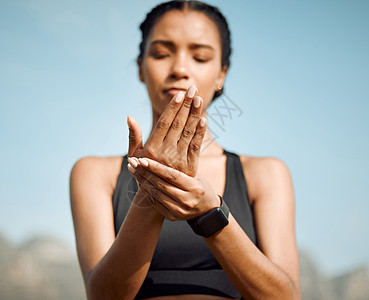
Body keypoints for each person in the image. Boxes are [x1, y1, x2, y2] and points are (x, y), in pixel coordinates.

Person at [70, 1, 301, 299]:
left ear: (221, 74)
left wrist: (210, 212)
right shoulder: (93, 173)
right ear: (140, 68)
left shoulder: (266, 174)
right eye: (161, 54)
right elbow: (103, 295)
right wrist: (153, 192)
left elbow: (286, 295)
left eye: (200, 57)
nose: (179, 68)